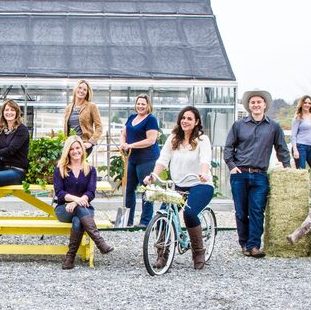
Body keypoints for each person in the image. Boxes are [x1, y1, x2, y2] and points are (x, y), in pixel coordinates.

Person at [144, 106, 215, 270]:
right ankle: (162, 254)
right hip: (178, 185)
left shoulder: (202, 140)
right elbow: (163, 160)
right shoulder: (173, 138)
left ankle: (198, 252)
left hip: (200, 184)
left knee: (190, 213)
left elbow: (205, 159)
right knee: (164, 213)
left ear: (196, 121)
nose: (185, 121)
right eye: (183, 118)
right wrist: (153, 176)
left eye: (190, 118)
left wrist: (203, 173)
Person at [224, 89, 291, 257]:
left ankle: (254, 246)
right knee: (241, 211)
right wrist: (232, 165)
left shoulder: (274, 126)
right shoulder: (239, 125)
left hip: (260, 174)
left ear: (265, 105)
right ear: (248, 106)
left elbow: (282, 148)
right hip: (240, 173)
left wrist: (287, 167)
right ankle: (244, 243)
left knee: (256, 210)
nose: (255, 105)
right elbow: (228, 148)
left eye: (258, 102)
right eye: (252, 102)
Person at [54, 136, 114, 269]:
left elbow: (91, 192)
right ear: (67, 151)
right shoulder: (60, 168)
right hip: (64, 209)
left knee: (78, 220)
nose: (75, 151)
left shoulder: (90, 169)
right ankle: (100, 242)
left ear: (82, 149)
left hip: (84, 209)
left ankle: (69, 259)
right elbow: (59, 193)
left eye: (78, 148)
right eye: (72, 149)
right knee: (79, 211)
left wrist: (77, 203)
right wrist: (76, 199)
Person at [119, 94, 160, 227]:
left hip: (146, 159)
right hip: (132, 158)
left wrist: (131, 145)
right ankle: (127, 220)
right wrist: (122, 144)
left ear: (148, 105)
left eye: (143, 104)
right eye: (138, 103)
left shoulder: (151, 119)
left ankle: (145, 221)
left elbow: (151, 140)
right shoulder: (132, 118)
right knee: (129, 189)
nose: (140, 106)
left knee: (146, 189)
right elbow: (123, 133)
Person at [63, 79, 103, 157]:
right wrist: (65, 142)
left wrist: (90, 142)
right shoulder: (68, 108)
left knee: (79, 166)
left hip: (84, 144)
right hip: (71, 143)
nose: (81, 91)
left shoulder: (91, 106)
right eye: (80, 88)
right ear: (75, 89)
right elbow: (66, 128)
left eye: (85, 90)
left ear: (87, 93)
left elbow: (99, 127)